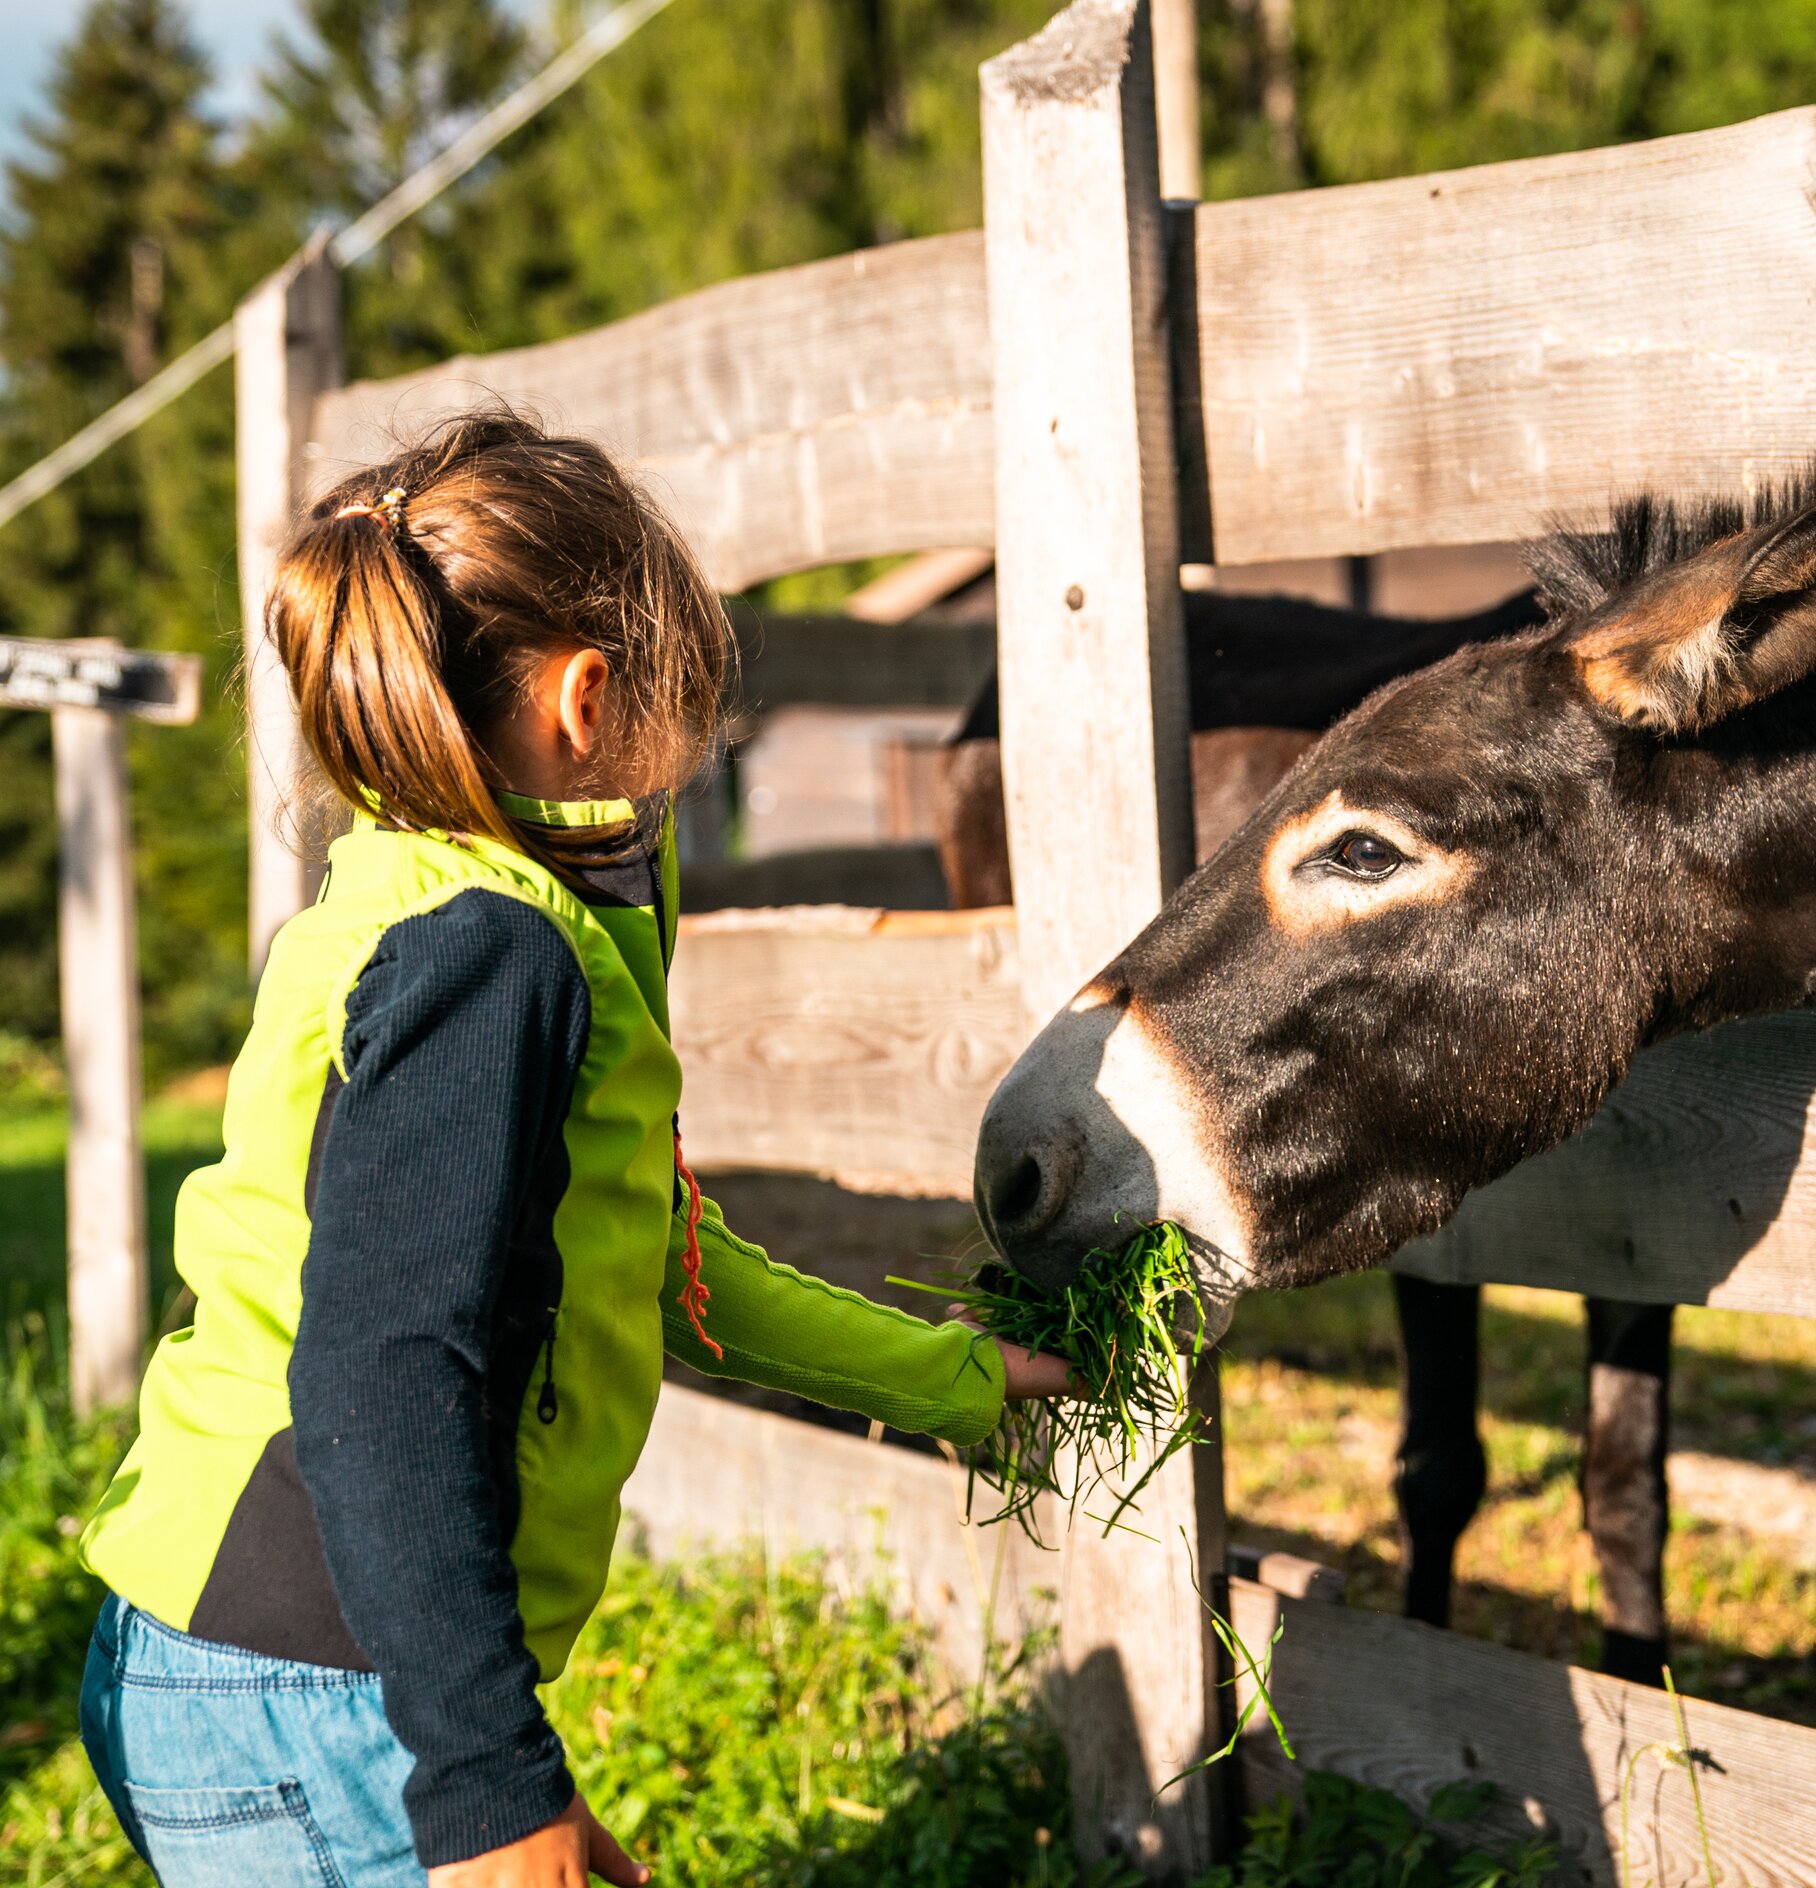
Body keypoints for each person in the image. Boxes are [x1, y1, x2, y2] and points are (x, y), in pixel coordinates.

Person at [73, 409, 1072, 1888]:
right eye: (698, 727)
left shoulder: (413, 896)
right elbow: (383, 1374)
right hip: (315, 1684)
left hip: (273, 1670)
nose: (693, 776)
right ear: (589, 699)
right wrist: (480, 1777)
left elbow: (658, 1271)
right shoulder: (491, 958)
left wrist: (956, 1376)